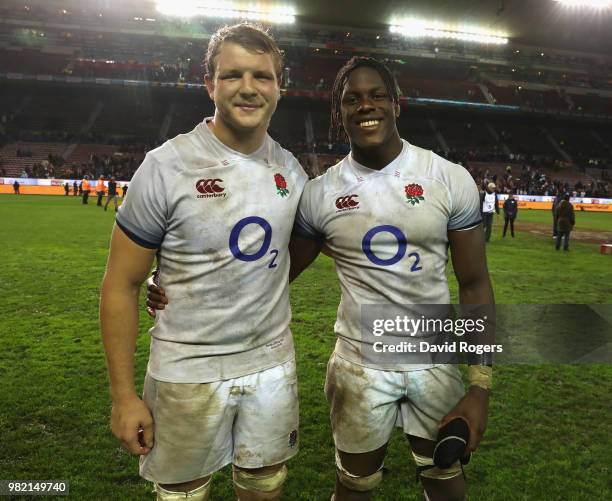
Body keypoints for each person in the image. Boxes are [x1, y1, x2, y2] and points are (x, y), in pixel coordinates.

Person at [149, 57, 494, 501]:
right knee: (354, 484)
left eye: (377, 95)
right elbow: (268, 273)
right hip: (359, 365)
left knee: (445, 479)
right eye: (352, 99)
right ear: (338, 113)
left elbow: (475, 284)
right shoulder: (321, 195)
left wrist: (480, 386)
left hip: (435, 361)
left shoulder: (448, 179)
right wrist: (176, 284)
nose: (365, 105)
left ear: (396, 104)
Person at [100, 23, 308, 501]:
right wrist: (124, 397)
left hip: (271, 365)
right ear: (209, 84)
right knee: (183, 495)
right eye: (233, 74)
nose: (249, 88)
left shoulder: (291, 170)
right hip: (185, 371)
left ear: (279, 87)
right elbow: (119, 285)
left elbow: (294, 252)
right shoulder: (165, 165)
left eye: (263, 76)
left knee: (265, 486)